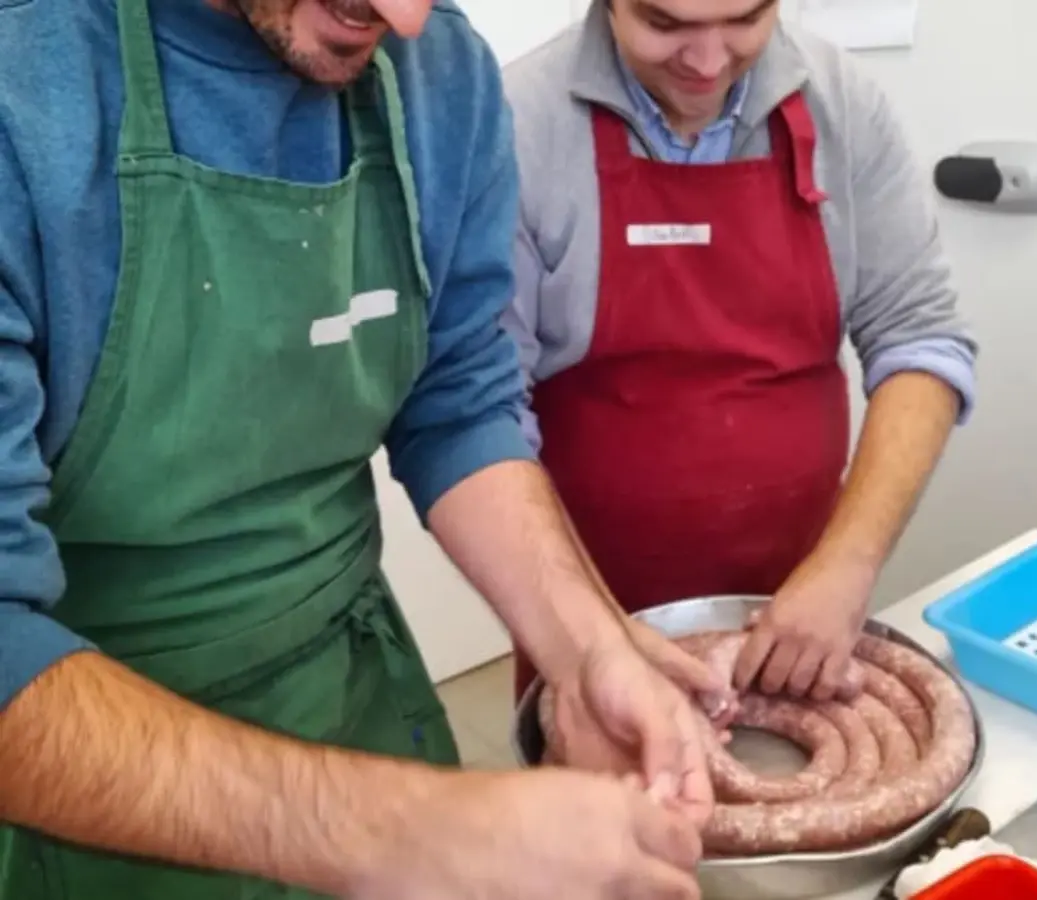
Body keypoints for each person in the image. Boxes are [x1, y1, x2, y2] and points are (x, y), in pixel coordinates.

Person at [0, 1, 722, 897]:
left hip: (355, 699)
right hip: (75, 768)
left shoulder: (438, 71)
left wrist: (586, 651)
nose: (408, 18)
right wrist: (398, 827)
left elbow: (456, 398)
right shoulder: (26, 87)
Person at [502, 0, 979, 703]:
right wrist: (586, 634)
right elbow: (480, 409)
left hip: (802, 590)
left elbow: (920, 337)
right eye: (664, 26)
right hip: (588, 597)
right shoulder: (517, 124)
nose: (708, 61)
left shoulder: (843, 102)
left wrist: (849, 564)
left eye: (745, 20)